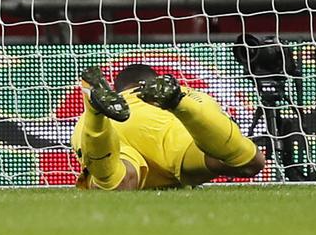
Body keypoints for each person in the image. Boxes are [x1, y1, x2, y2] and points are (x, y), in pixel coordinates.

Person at [70, 64, 265, 191]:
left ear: (117, 90)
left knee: (115, 183)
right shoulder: (191, 93)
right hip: (168, 122)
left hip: (113, 126)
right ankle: (179, 103)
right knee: (250, 162)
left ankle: (94, 111)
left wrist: (98, 115)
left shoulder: (99, 114)